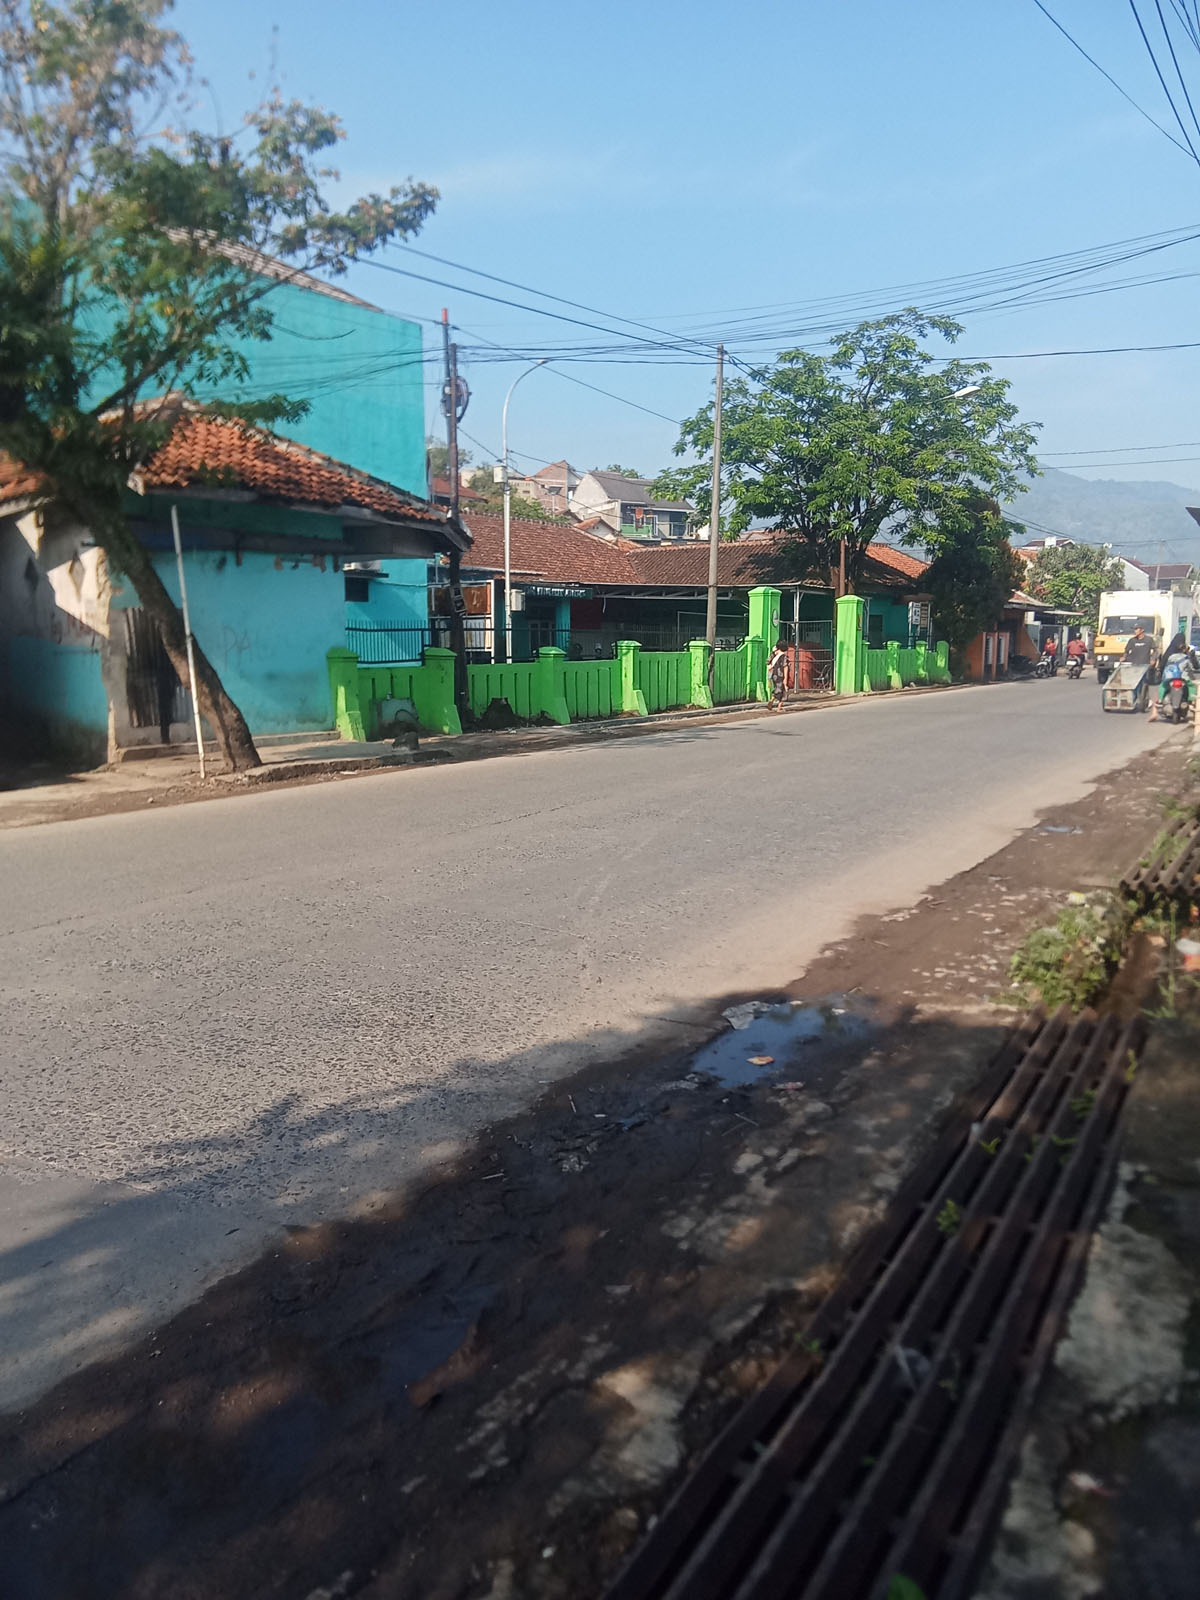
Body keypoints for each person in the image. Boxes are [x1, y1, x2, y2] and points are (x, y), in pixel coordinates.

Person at [1150, 630, 1198, 722]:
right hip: (1184, 678)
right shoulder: (1186, 654)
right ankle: (1194, 705)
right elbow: (1193, 666)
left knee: (1160, 689)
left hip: (1168, 678)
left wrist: (1160, 671)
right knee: (1193, 689)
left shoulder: (1169, 653)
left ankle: (1155, 711)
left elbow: (1163, 664)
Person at [766, 640, 789, 708]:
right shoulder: (783, 656)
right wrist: (785, 678)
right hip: (780, 675)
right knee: (781, 689)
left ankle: (777, 703)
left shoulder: (774, 655)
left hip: (773, 674)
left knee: (779, 688)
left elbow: (768, 662)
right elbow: (785, 667)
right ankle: (774, 701)